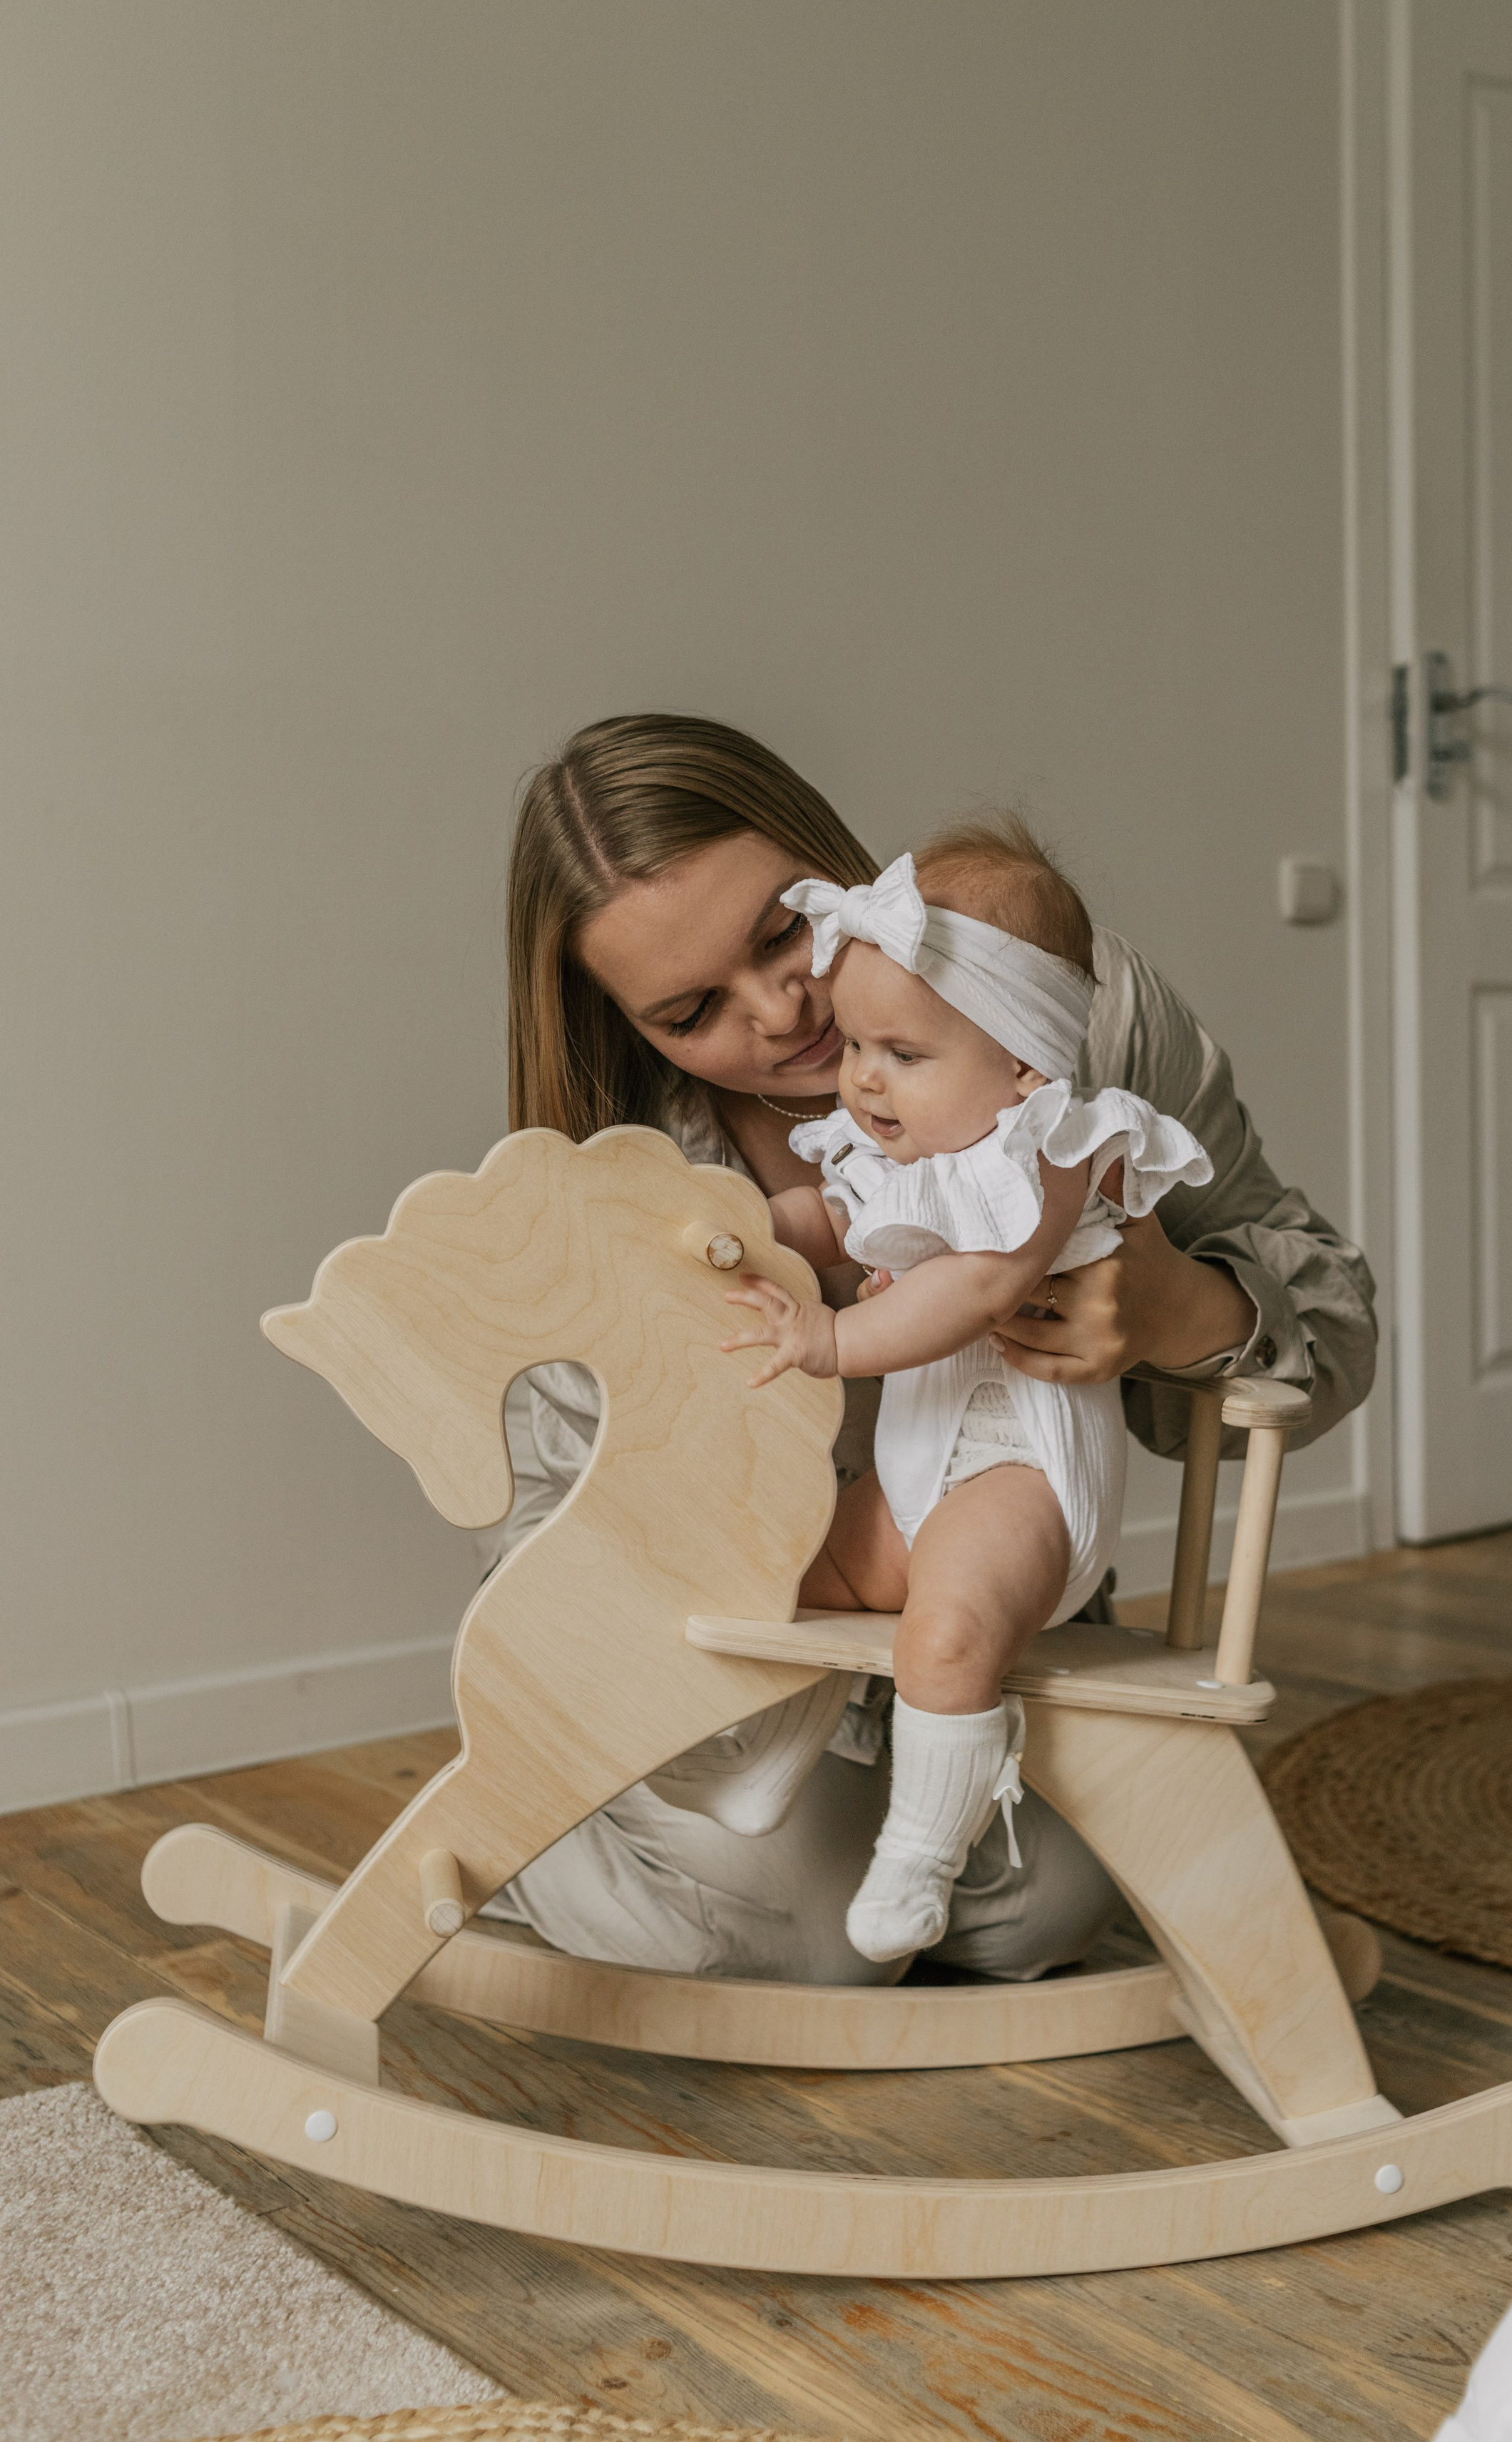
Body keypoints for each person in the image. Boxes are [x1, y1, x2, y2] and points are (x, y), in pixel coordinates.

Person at [486, 712, 1376, 1986]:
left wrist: (1186, 1311)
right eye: (692, 1011)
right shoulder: (625, 1162)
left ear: (830, 860)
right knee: (807, 1934)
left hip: (983, 1594)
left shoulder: (1056, 993)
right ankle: (547, 1827)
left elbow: (1339, 1324)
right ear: (631, 1033)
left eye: (784, 931)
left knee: (1036, 1907)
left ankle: (873, 1842)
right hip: (736, 1640)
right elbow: (572, 1526)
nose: (783, 1009)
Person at [722, 825, 1212, 1961]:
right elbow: (833, 1221)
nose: (862, 1077)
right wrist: (749, 1229)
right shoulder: (900, 1145)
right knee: (782, 1568)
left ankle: (921, 1854)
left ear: (1025, 1064)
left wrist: (833, 1337)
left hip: (1018, 1476)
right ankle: (777, 1761)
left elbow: (974, 1285)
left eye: (902, 1051)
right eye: (856, 1045)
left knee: (944, 1639)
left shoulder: (1049, 1153)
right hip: (914, 1476)